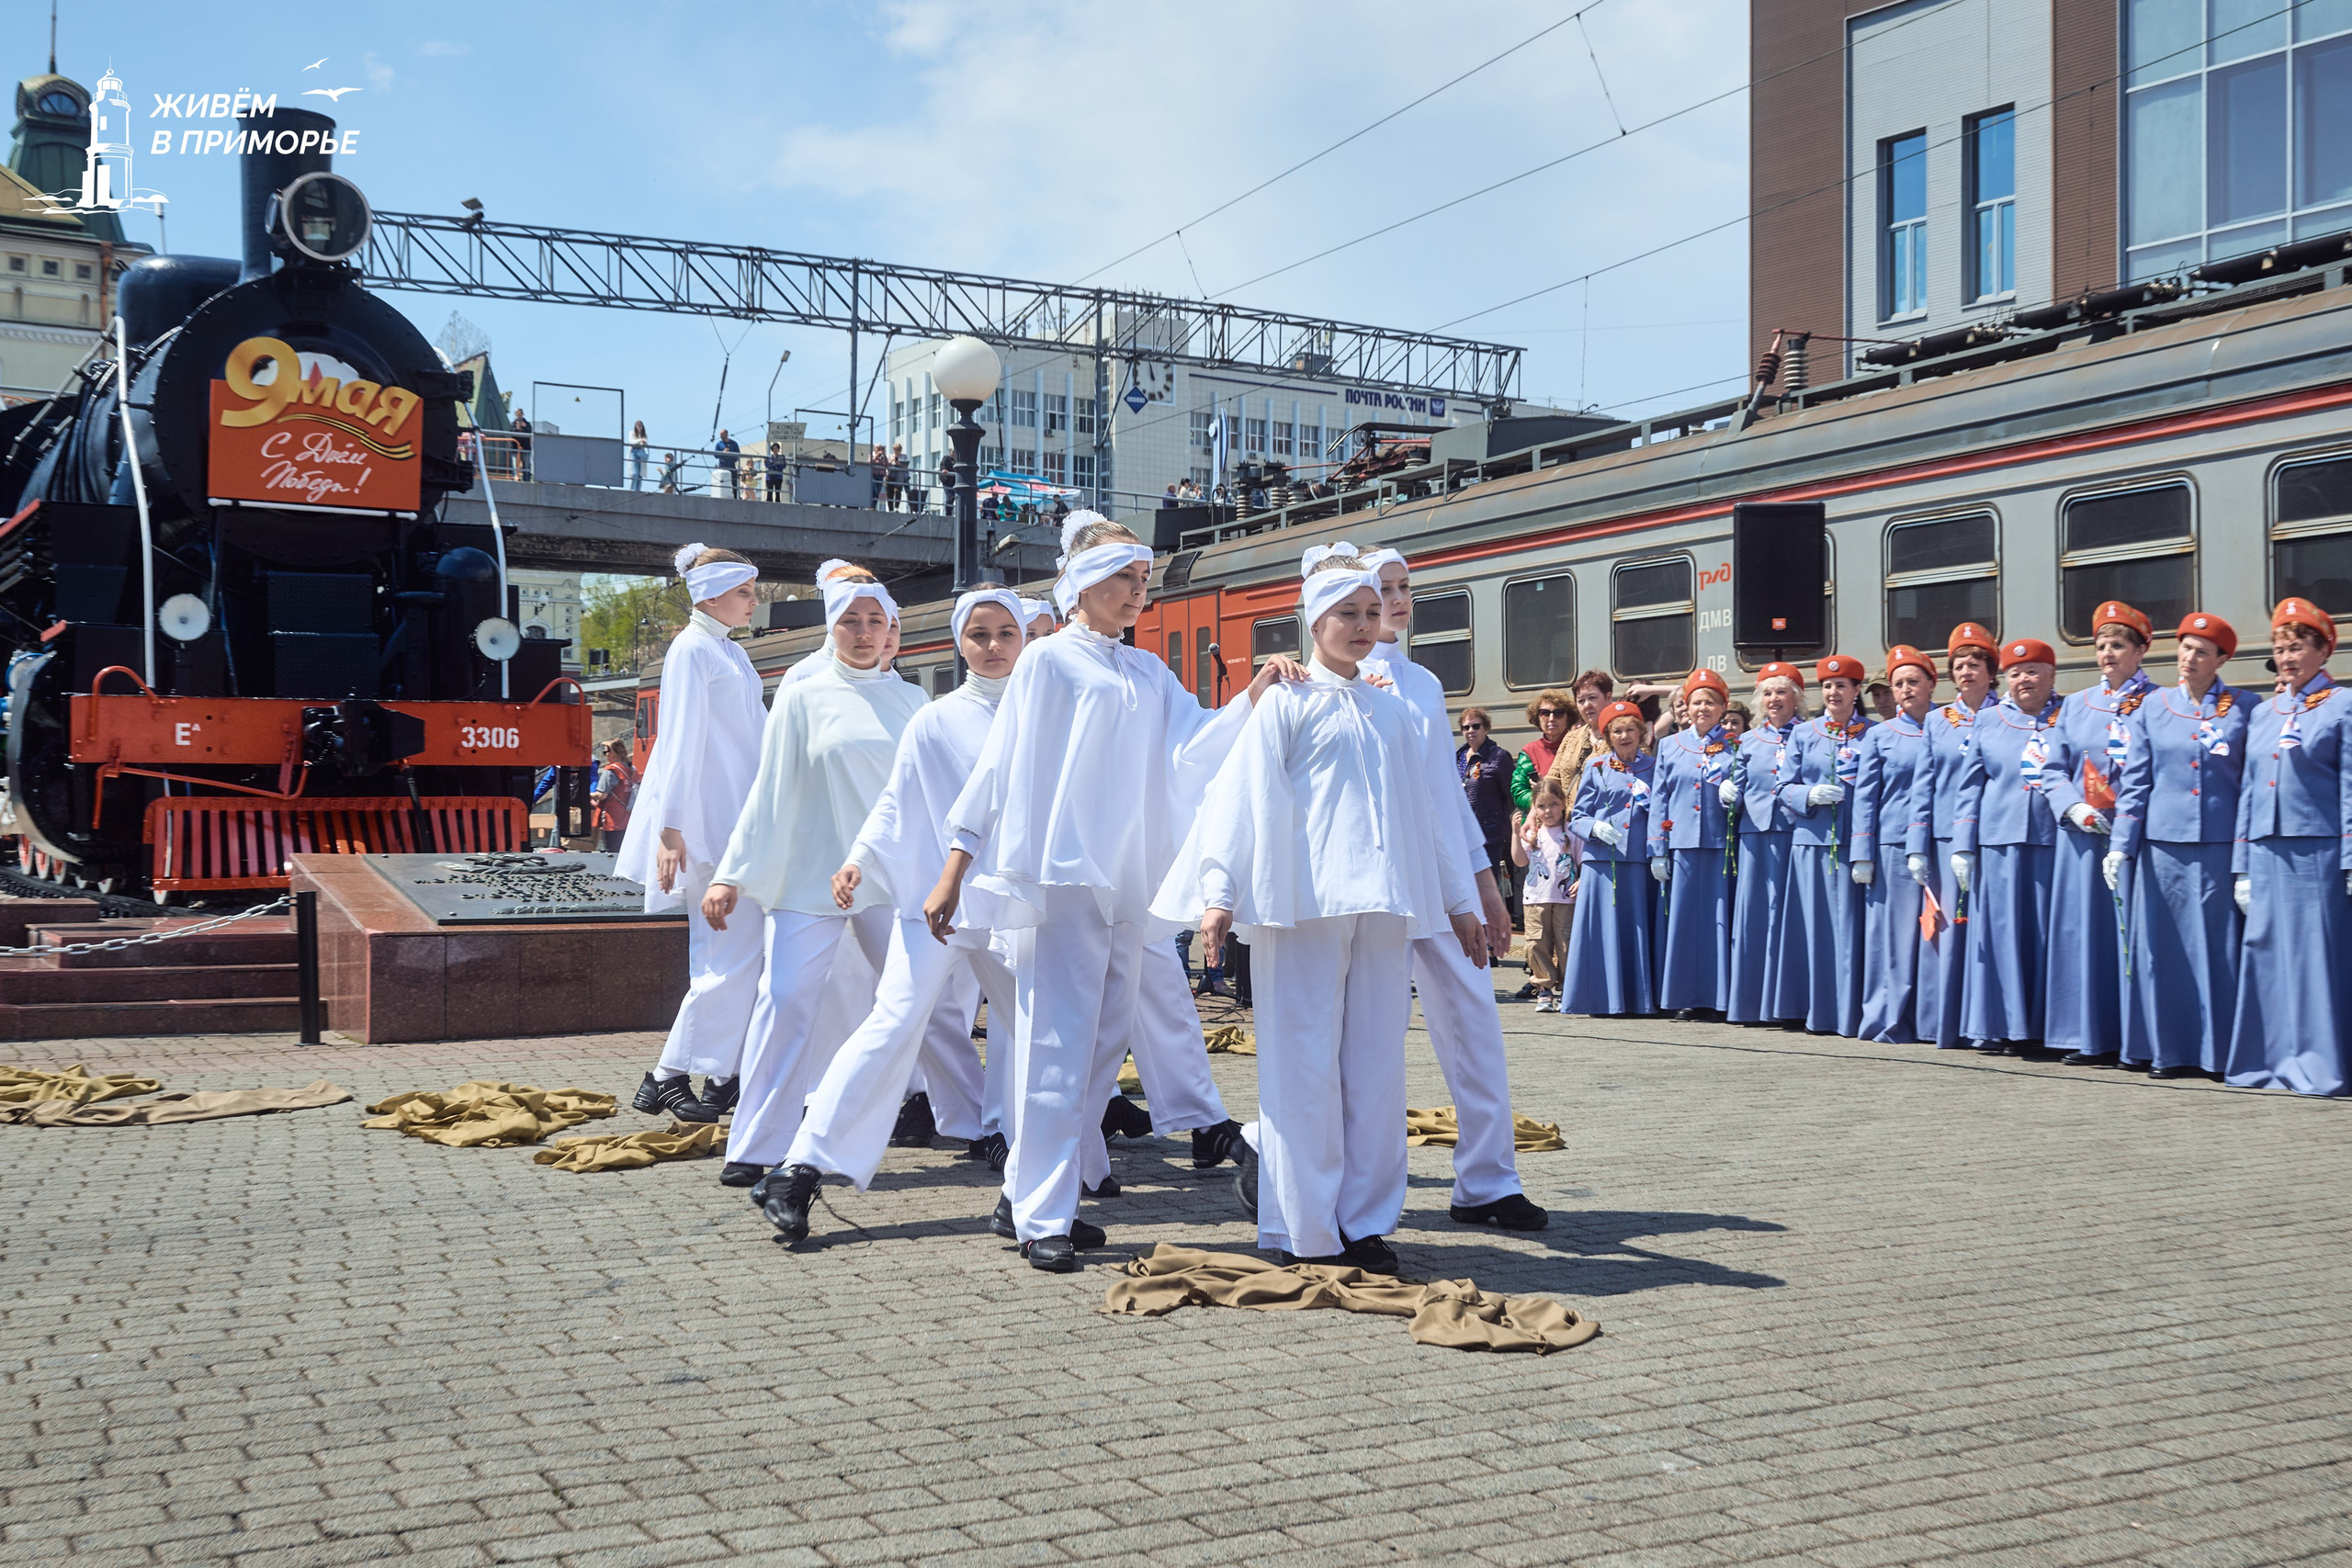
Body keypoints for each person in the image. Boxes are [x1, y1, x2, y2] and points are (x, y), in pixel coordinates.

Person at [928, 513, 1298, 1272]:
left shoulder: (1148, 672)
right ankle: (1039, 1216)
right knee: (1056, 1048)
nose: (1138, 591)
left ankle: (1023, 1195)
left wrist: (1254, 695)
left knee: (1098, 1052)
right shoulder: (1046, 663)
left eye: (1143, 579)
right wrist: (956, 866)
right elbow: (998, 766)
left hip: (1129, 881)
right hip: (1064, 879)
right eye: (1126, 578)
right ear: (1083, 585)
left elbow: (1195, 750)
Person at [1154, 551, 1483, 1273]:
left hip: (1384, 907)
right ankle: (1305, 1229)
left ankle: (1364, 1221)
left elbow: (1431, 815)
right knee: (1300, 1065)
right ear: (1315, 620)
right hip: (1300, 908)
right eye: (1348, 614)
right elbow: (1236, 799)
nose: (1364, 626)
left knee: (1375, 1068)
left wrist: (1461, 902)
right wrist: (1218, 895)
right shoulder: (1286, 703)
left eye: (1372, 613)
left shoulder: (1393, 712)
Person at [752, 589, 1029, 1242]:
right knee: (895, 1021)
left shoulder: (1042, 714)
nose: (992, 647)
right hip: (939, 902)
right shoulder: (934, 720)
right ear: (958, 643)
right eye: (980, 634)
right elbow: (894, 800)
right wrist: (858, 860)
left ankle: (1037, 1159)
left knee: (1037, 1028)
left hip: (1016, 904)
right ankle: (800, 1169)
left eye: (1005, 634)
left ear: (1025, 640)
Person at [707, 571, 926, 1185]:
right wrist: (731, 874)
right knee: (785, 1000)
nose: (862, 633)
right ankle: (753, 1145)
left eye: (874, 621)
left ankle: (970, 1119)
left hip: (887, 877)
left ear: (892, 631)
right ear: (831, 626)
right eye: (849, 621)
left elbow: (929, 799)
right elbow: (769, 792)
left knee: (919, 1004)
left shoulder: (914, 704)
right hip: (811, 878)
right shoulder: (802, 693)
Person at [1356, 547, 1544, 1233]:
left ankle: (1488, 1181)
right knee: (1365, 1038)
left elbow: (1446, 797)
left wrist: (1486, 892)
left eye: (1404, 588)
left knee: (1474, 1024)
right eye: (1383, 589)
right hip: (1374, 883)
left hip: (1437, 881)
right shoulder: (1333, 680)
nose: (1398, 601)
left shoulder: (1425, 684)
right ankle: (1329, 1178)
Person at [616, 545, 767, 1125]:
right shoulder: (692, 649)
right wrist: (671, 830)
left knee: (739, 955)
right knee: (724, 957)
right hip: (707, 826)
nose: (754, 602)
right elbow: (677, 741)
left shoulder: (726, 651)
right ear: (711, 594)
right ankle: (666, 1076)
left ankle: (717, 1074)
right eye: (745, 592)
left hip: (735, 822)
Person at [2110, 612, 2251, 1078]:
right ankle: (2168, 1052)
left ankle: (2217, 1054)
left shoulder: (2244, 707)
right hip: (2162, 848)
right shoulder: (2153, 707)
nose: (2189, 658)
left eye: (2202, 652)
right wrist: (2121, 846)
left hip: (2217, 846)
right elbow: (2135, 782)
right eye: (2186, 648)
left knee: (2217, 951)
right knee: (2164, 953)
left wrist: (2246, 855)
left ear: (2222, 659)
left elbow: (2250, 784)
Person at [2225, 597, 2352, 1097]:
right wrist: (2241, 867)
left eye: (2298, 647)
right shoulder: (2264, 712)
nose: (2287, 658)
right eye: (2280, 648)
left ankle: (2321, 1067)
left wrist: (2350, 857)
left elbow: (2350, 787)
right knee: (2266, 957)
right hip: (2264, 851)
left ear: (2325, 652)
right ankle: (2266, 1060)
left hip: (2315, 853)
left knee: (2316, 960)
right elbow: (2249, 792)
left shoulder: (2343, 706)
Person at [2041, 600, 2154, 1067]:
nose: (2108, 653)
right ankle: (2087, 1036)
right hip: (2083, 837)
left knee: (2133, 936)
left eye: (2119, 645)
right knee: (2084, 934)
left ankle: (2136, 1040)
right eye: (2102, 645)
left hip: (2135, 838)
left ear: (2141, 650)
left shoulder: (2158, 701)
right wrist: (2075, 807)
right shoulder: (2075, 704)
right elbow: (2051, 768)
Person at [1951, 638, 2078, 1054]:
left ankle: (2050, 1028)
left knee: (2048, 934)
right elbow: (1969, 787)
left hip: (2055, 839)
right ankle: (2007, 1027)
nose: (2024, 679)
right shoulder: (1988, 721)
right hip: (2000, 840)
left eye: (2034, 671)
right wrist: (1963, 845)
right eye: (2016, 673)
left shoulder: (2070, 714)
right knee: (2004, 935)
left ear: (2052, 675)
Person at [1905, 623, 2001, 1050]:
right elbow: (1922, 787)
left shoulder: (2006, 716)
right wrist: (1916, 847)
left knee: (1988, 933)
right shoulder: (1939, 722)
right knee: (1950, 935)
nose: (1967, 671)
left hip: (1994, 837)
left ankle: (1988, 1025)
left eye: (1975, 664)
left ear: (1991, 670)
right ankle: (1946, 1024)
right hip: (1946, 840)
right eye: (1960, 665)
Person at [1773, 655, 1871, 1035]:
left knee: (1849, 932)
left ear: (1856, 691)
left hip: (1852, 844)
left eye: (1841, 686)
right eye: (1828, 686)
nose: (1833, 692)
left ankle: (1848, 1013)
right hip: (1811, 844)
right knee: (1811, 930)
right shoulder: (1804, 733)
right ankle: (1811, 1010)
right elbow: (1783, 787)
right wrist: (1810, 794)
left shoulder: (1872, 732)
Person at [1849, 647, 1937, 1043]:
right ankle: (1888, 1019)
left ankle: (1933, 1019)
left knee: (1937, 937)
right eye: (1899, 684)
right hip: (1893, 848)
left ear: (1932, 684)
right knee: (1894, 939)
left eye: (1913, 681)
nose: (1905, 690)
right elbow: (1866, 798)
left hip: (1940, 844)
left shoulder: (1947, 725)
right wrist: (1862, 854)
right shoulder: (1880, 736)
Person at [1647, 669, 1736, 1019]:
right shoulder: (1670, 745)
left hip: (1720, 847)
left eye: (1710, 702)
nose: (1703, 708)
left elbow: (1749, 791)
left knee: (1718, 922)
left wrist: (1737, 796)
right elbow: (1660, 799)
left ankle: (1717, 998)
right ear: (1686, 706)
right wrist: (1657, 848)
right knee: (1682, 922)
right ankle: (1682, 995)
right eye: (1697, 702)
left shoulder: (1736, 744)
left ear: (1723, 706)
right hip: (1681, 845)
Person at [1563, 700, 1658, 1017]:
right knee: (1603, 931)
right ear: (1608, 736)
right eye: (1617, 730)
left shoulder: (1654, 766)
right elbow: (1576, 816)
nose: (1625, 735)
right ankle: (1600, 999)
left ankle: (1636, 999)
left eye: (1631, 729)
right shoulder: (1597, 767)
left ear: (1641, 732)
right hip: (1602, 862)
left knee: (1636, 931)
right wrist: (1595, 827)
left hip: (1640, 862)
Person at [1726, 663, 1804, 1025]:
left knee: (1789, 916)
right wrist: (1729, 796)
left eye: (1782, 692)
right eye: (1768, 693)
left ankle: (1790, 1002)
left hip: (1794, 834)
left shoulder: (1809, 734)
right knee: (1755, 915)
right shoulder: (1748, 740)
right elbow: (1738, 789)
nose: (1774, 699)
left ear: (1796, 698)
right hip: (1754, 835)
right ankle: (1753, 1002)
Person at [1516, 778, 1575, 1012]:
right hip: (1535, 897)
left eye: (1553, 804)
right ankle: (1543, 988)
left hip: (1565, 898)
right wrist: (1514, 834)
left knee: (1566, 943)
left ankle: (1568, 987)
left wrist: (1580, 881)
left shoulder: (1571, 832)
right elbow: (1520, 860)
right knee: (1537, 942)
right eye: (1541, 806)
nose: (1547, 811)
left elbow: (1580, 860)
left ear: (1563, 804)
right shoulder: (1533, 834)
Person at [1457, 708, 1517, 921]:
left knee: (1487, 893)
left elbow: (1511, 797)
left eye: (1476, 726)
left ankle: (1490, 949)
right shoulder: (1459, 757)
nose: (1470, 731)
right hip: (1462, 838)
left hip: (1488, 838)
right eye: (1465, 727)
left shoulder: (1499, 757)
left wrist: (1508, 832)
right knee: (1466, 892)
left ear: (1486, 728)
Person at [1544, 670, 1616, 796]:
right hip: (1572, 815)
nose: (1587, 705)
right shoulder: (1571, 738)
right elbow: (1553, 780)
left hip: (1609, 814)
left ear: (1608, 697)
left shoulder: (1624, 733)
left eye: (1592, 698)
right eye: (1581, 701)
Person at [590, 738, 636, 853]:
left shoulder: (610, 771)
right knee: (624, 851)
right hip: (628, 816)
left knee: (611, 851)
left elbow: (601, 795)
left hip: (612, 818)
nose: (605, 755)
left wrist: (587, 795)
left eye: (606, 752)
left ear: (614, 753)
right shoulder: (630, 769)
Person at [711, 430, 741, 498]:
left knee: (734, 481)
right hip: (722, 465)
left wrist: (732, 455)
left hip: (732, 465)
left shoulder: (733, 443)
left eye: (722, 434)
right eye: (720, 434)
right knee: (723, 480)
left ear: (726, 434)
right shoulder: (719, 444)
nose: (720, 435)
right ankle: (722, 495)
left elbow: (738, 454)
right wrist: (723, 452)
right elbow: (716, 455)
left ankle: (736, 496)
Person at [888, 443, 910, 511]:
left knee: (898, 492)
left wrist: (899, 463)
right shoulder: (890, 456)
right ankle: (891, 509)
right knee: (890, 493)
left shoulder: (904, 456)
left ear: (901, 450)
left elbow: (906, 466)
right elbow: (886, 465)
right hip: (891, 477)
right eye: (895, 449)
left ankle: (896, 507)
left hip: (900, 477)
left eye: (898, 449)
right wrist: (891, 460)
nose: (896, 451)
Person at [628, 420, 648, 491]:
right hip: (634, 451)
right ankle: (633, 489)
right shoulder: (632, 433)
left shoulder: (644, 435)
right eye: (638, 425)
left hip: (641, 451)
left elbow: (645, 443)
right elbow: (631, 442)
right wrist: (640, 441)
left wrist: (643, 442)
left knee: (640, 473)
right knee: (634, 473)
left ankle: (638, 489)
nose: (639, 427)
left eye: (640, 425)